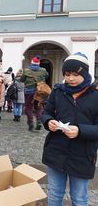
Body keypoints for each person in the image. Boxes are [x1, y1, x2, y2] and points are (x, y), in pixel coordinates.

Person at [41, 52, 98, 206]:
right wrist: (49, 122)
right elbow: (46, 112)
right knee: (54, 194)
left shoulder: (95, 95)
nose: (70, 78)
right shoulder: (58, 92)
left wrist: (80, 131)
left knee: (79, 198)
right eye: (67, 74)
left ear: (85, 74)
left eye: (75, 74)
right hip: (56, 151)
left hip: (83, 155)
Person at [20, 56, 48, 131]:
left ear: (31, 63)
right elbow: (47, 76)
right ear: (38, 63)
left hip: (29, 92)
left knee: (28, 108)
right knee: (38, 107)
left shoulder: (26, 70)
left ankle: (31, 124)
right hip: (39, 91)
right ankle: (38, 121)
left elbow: (22, 80)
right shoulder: (43, 70)